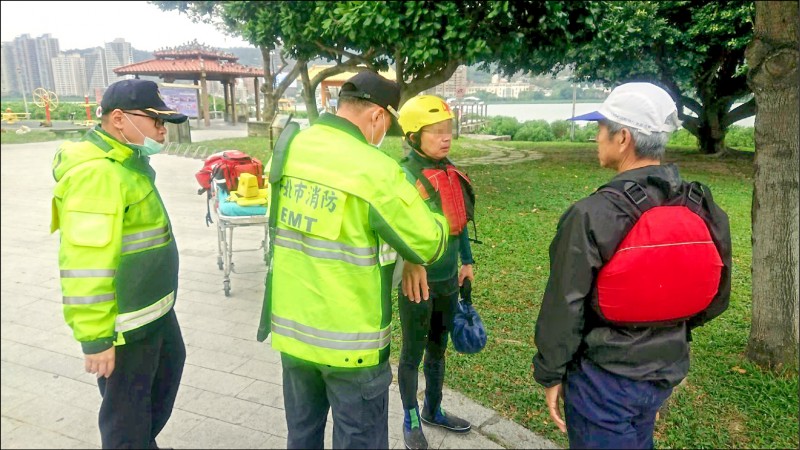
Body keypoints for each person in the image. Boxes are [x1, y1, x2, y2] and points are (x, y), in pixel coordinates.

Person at [531, 82, 732, 449]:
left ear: (622, 138)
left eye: (600, 128)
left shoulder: (590, 214)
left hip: (603, 377)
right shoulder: (700, 204)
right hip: (665, 370)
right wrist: (664, 331)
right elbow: (717, 296)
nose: (596, 138)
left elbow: (565, 306)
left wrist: (549, 372)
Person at [256, 71, 450, 449]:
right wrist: (439, 220)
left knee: (302, 438)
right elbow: (427, 243)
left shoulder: (291, 146)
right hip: (351, 348)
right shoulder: (374, 169)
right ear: (377, 116)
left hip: (293, 336)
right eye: (388, 125)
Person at [51, 79, 188, 449]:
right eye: (156, 121)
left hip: (152, 311)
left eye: (165, 123)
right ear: (118, 119)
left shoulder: (127, 162)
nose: (162, 130)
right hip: (126, 324)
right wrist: (96, 339)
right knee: (126, 417)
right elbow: (85, 263)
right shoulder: (99, 173)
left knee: (161, 380)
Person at [395, 95, 476, 449]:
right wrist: (410, 263)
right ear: (414, 136)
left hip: (447, 281)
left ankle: (434, 409)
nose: (446, 138)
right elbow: (395, 230)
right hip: (418, 283)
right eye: (436, 132)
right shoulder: (403, 175)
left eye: (449, 131)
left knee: (438, 349)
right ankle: (411, 418)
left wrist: (468, 262)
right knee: (412, 352)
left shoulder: (449, 170)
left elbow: (457, 225)